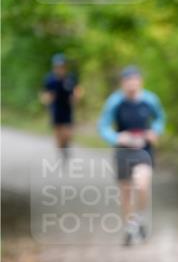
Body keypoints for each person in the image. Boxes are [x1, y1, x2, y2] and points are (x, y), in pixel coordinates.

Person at [97, 66, 166, 246]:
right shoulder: (115, 102)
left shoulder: (150, 100)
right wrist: (117, 137)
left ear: (140, 81)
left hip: (144, 149)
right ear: (122, 83)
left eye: (135, 80)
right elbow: (103, 126)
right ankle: (130, 227)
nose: (131, 84)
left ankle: (140, 218)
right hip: (123, 150)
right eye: (128, 81)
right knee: (126, 191)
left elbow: (160, 118)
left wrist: (155, 131)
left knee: (142, 184)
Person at [40, 54, 82, 160]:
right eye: (58, 66)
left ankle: (66, 146)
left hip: (67, 108)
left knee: (68, 133)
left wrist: (76, 96)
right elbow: (44, 93)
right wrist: (47, 99)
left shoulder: (70, 77)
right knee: (58, 133)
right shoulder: (50, 79)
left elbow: (77, 89)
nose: (60, 69)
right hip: (55, 109)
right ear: (54, 67)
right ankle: (61, 150)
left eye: (62, 66)